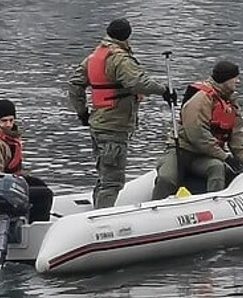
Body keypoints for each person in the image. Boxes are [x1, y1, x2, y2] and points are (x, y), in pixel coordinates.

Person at [67, 17, 178, 208]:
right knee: (112, 180)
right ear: (128, 36)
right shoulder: (120, 59)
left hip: (98, 123)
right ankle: (101, 219)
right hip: (114, 126)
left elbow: (75, 85)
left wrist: (82, 113)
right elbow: (138, 82)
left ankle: (97, 208)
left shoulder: (94, 56)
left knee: (104, 173)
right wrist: (164, 91)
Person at [152, 59, 243, 200]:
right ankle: (155, 207)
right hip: (182, 151)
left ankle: (213, 205)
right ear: (225, 79)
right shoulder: (201, 100)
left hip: (204, 156)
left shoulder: (231, 103)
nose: (238, 81)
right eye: (235, 78)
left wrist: (242, 160)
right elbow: (197, 135)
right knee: (167, 178)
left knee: (216, 168)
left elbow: (237, 136)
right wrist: (225, 157)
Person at [0, 98, 54, 222]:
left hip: (5, 183)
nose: (8, 124)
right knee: (44, 195)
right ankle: (36, 230)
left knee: (38, 184)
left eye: (11, 120)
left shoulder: (5, 137)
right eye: (4, 121)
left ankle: (30, 219)